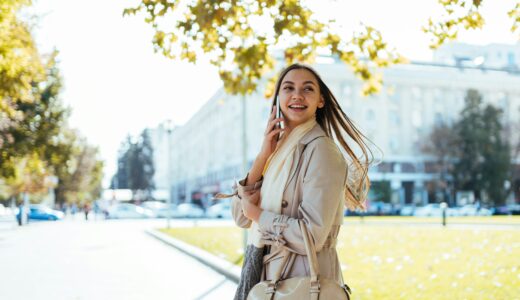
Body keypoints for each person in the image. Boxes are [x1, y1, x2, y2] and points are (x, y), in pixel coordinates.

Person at [221, 63, 374, 300]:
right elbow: (241, 217)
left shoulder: (321, 150)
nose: (297, 95)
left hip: (301, 282)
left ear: (320, 101)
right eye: (288, 88)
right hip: (269, 279)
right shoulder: (278, 151)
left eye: (308, 89)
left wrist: (260, 216)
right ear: (279, 97)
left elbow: (311, 236)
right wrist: (263, 156)